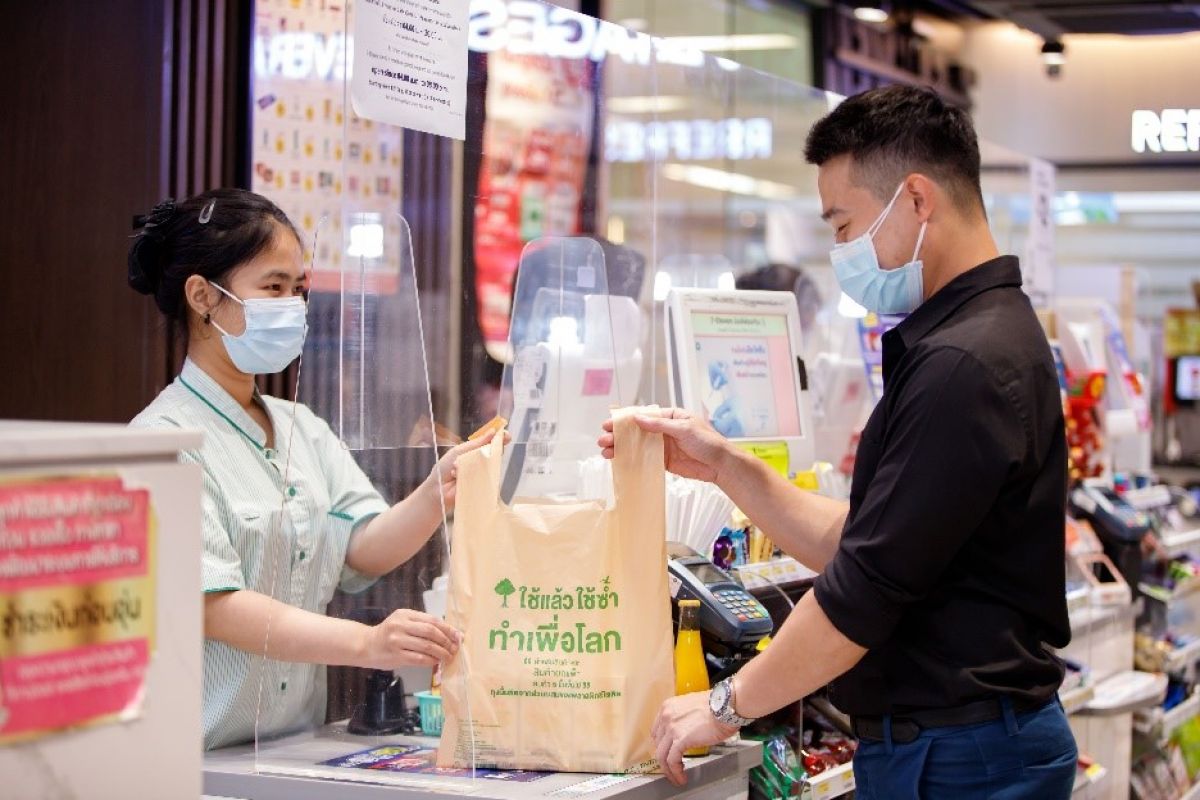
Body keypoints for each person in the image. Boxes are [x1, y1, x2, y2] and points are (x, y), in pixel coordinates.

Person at [600, 85, 1076, 798]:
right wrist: (726, 466)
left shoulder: (963, 363)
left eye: (845, 225)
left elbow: (863, 592)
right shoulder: (982, 334)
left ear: (917, 200)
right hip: (967, 745)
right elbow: (869, 541)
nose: (840, 251)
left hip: (960, 759)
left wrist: (724, 705)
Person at [128, 189, 491, 750]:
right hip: (198, 759)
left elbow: (362, 546)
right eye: (273, 287)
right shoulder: (162, 441)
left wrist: (434, 493)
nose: (293, 306)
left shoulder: (302, 426)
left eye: (299, 289)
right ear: (202, 296)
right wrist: (367, 644)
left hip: (295, 747)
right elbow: (215, 605)